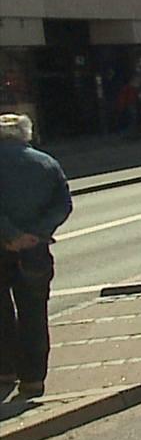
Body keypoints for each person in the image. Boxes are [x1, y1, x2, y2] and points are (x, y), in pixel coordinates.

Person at [0, 114, 72, 401]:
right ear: (25, 134)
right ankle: (33, 379)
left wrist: (11, 234)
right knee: (34, 313)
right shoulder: (46, 163)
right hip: (35, 248)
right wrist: (36, 232)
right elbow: (63, 205)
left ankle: (5, 370)